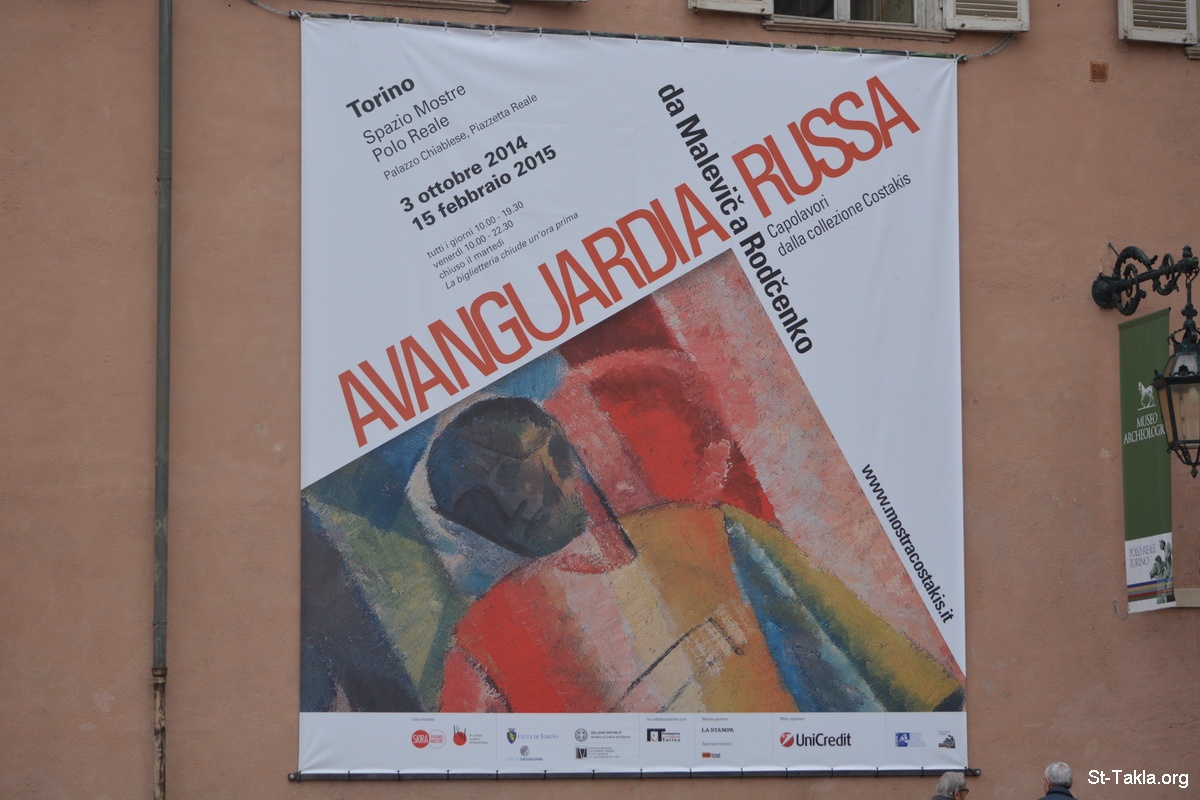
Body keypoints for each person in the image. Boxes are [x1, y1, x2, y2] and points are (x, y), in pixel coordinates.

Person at [439, 396, 964, 713]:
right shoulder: (482, 644)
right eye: (476, 503)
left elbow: (864, 646)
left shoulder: (708, 532)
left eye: (510, 472)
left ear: (560, 453)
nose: (508, 505)